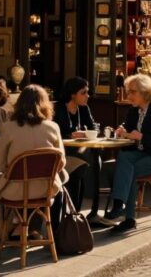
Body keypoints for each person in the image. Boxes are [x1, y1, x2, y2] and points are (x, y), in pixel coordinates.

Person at [0, 85, 69, 240]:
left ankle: (11, 228)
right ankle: (34, 229)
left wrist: (15, 169)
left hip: (16, 190)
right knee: (61, 181)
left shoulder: (8, 127)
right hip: (45, 188)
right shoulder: (53, 127)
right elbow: (61, 163)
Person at [105, 74, 151, 235]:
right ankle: (120, 206)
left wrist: (141, 137)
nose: (128, 96)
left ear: (145, 92)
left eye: (132, 92)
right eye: (128, 92)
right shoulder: (134, 111)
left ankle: (126, 214)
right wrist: (123, 130)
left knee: (128, 169)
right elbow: (128, 126)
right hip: (141, 153)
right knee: (124, 157)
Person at [53, 77, 107, 225]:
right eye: (83, 93)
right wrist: (72, 134)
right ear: (72, 94)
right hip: (63, 152)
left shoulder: (83, 108)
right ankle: (82, 213)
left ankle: (90, 211)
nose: (87, 96)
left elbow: (94, 127)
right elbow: (56, 132)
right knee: (90, 161)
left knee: (93, 159)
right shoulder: (59, 108)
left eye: (87, 92)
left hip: (80, 150)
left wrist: (86, 132)